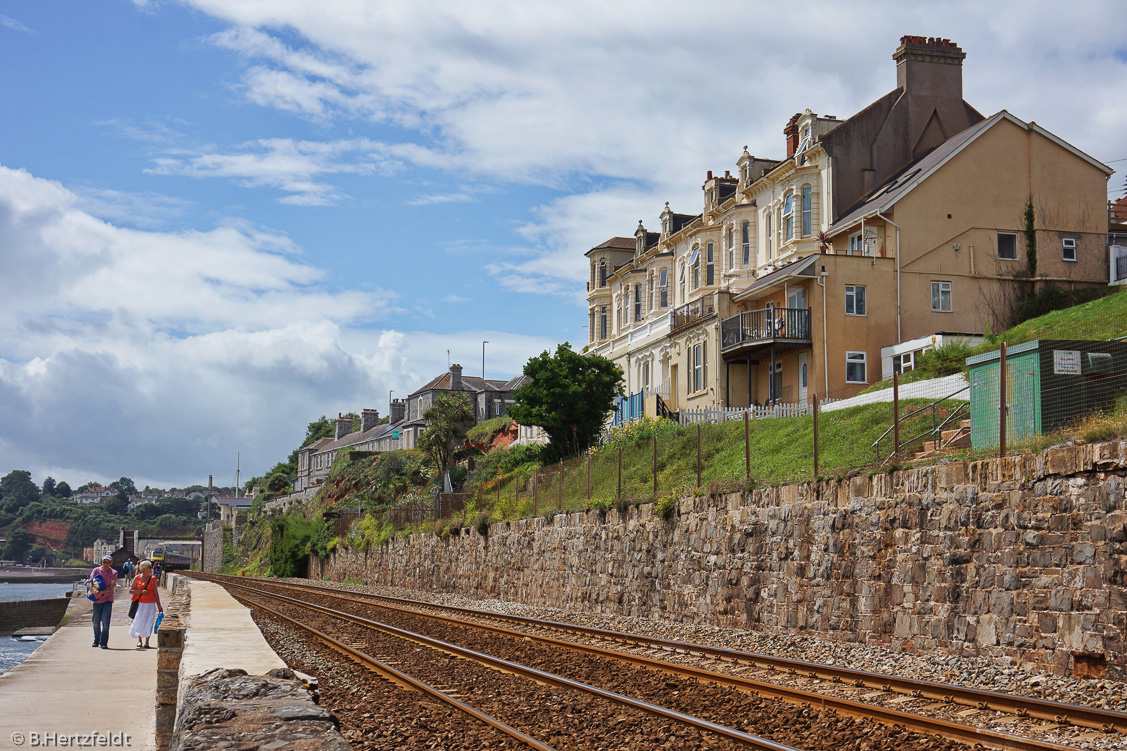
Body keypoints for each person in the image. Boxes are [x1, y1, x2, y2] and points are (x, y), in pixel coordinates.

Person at [128, 560, 163, 649]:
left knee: (149, 622)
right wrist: (141, 592)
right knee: (139, 621)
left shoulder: (153, 579)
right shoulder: (137, 578)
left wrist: (158, 604)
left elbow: (155, 592)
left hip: (150, 604)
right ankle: (139, 641)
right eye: (149, 567)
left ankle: (147, 641)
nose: (151, 569)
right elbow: (131, 591)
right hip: (140, 604)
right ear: (144, 569)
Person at [90, 555, 118, 649]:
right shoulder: (96, 570)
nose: (106, 564)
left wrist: (102, 592)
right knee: (95, 622)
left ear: (111, 563)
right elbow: (90, 582)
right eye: (104, 562)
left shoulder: (114, 572)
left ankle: (103, 642)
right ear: (101, 562)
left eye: (108, 562)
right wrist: (94, 591)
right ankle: (96, 639)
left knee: (106, 622)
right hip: (97, 600)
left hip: (107, 599)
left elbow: (111, 587)